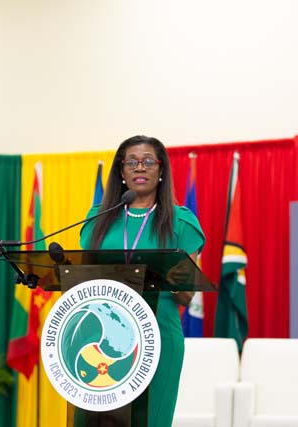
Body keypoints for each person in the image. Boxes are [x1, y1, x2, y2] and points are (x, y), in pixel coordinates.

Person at [78, 135, 205, 426]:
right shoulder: (98, 220)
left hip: (157, 337)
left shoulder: (180, 222)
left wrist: (166, 275)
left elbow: (186, 296)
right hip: (100, 336)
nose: (140, 167)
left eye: (148, 161)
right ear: (121, 171)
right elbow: (84, 278)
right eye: (132, 162)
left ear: (161, 170)